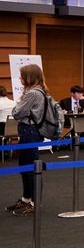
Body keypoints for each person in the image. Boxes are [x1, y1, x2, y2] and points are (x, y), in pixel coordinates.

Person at [7, 66, 50, 216]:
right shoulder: (39, 91)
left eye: (22, 76)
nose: (20, 78)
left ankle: (35, 203)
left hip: (29, 131)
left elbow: (17, 113)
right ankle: (27, 198)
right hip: (30, 131)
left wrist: (18, 107)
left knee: (31, 167)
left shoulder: (32, 93)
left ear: (29, 77)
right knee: (25, 165)